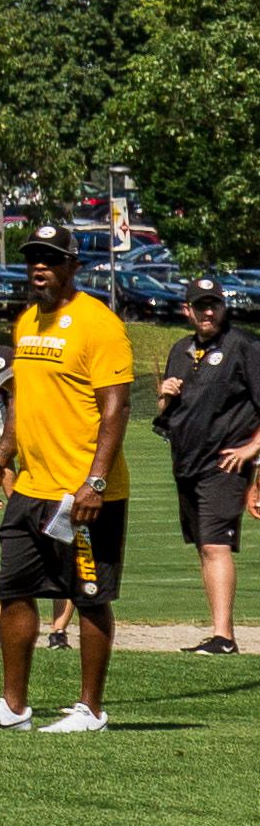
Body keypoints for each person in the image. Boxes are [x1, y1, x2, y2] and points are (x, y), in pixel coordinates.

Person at [0, 234, 132, 736]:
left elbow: (116, 407)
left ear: (72, 266)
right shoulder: (26, 322)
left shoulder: (99, 325)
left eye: (50, 260)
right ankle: (14, 707)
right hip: (32, 487)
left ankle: (90, 710)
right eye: (32, 260)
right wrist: (1, 461)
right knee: (14, 589)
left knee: (88, 595)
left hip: (82, 491)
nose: (39, 268)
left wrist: (96, 482)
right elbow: (22, 401)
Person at [152, 275, 258, 656]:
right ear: (188, 310)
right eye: (201, 306)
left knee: (216, 545)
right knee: (204, 547)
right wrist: (164, 397)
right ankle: (219, 631)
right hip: (186, 462)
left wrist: (252, 450)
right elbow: (167, 417)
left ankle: (224, 636)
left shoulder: (243, 346)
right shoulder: (180, 349)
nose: (208, 311)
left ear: (224, 307)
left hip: (224, 462)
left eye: (214, 304)